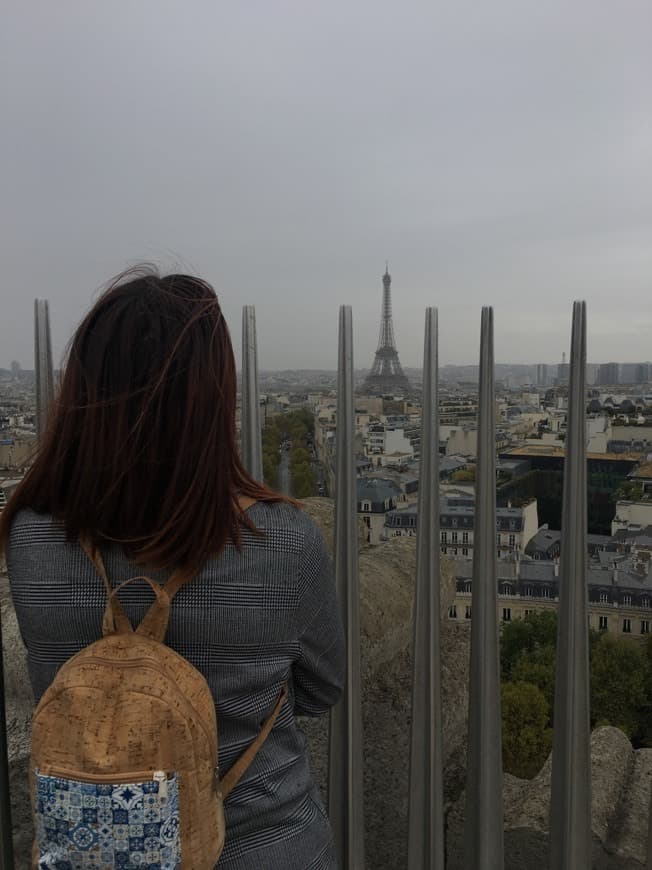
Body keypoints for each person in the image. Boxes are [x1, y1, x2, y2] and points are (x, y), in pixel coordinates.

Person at [0, 268, 345, 869]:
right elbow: (322, 689)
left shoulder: (29, 537)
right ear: (215, 402)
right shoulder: (285, 542)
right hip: (265, 847)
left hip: (97, 852)